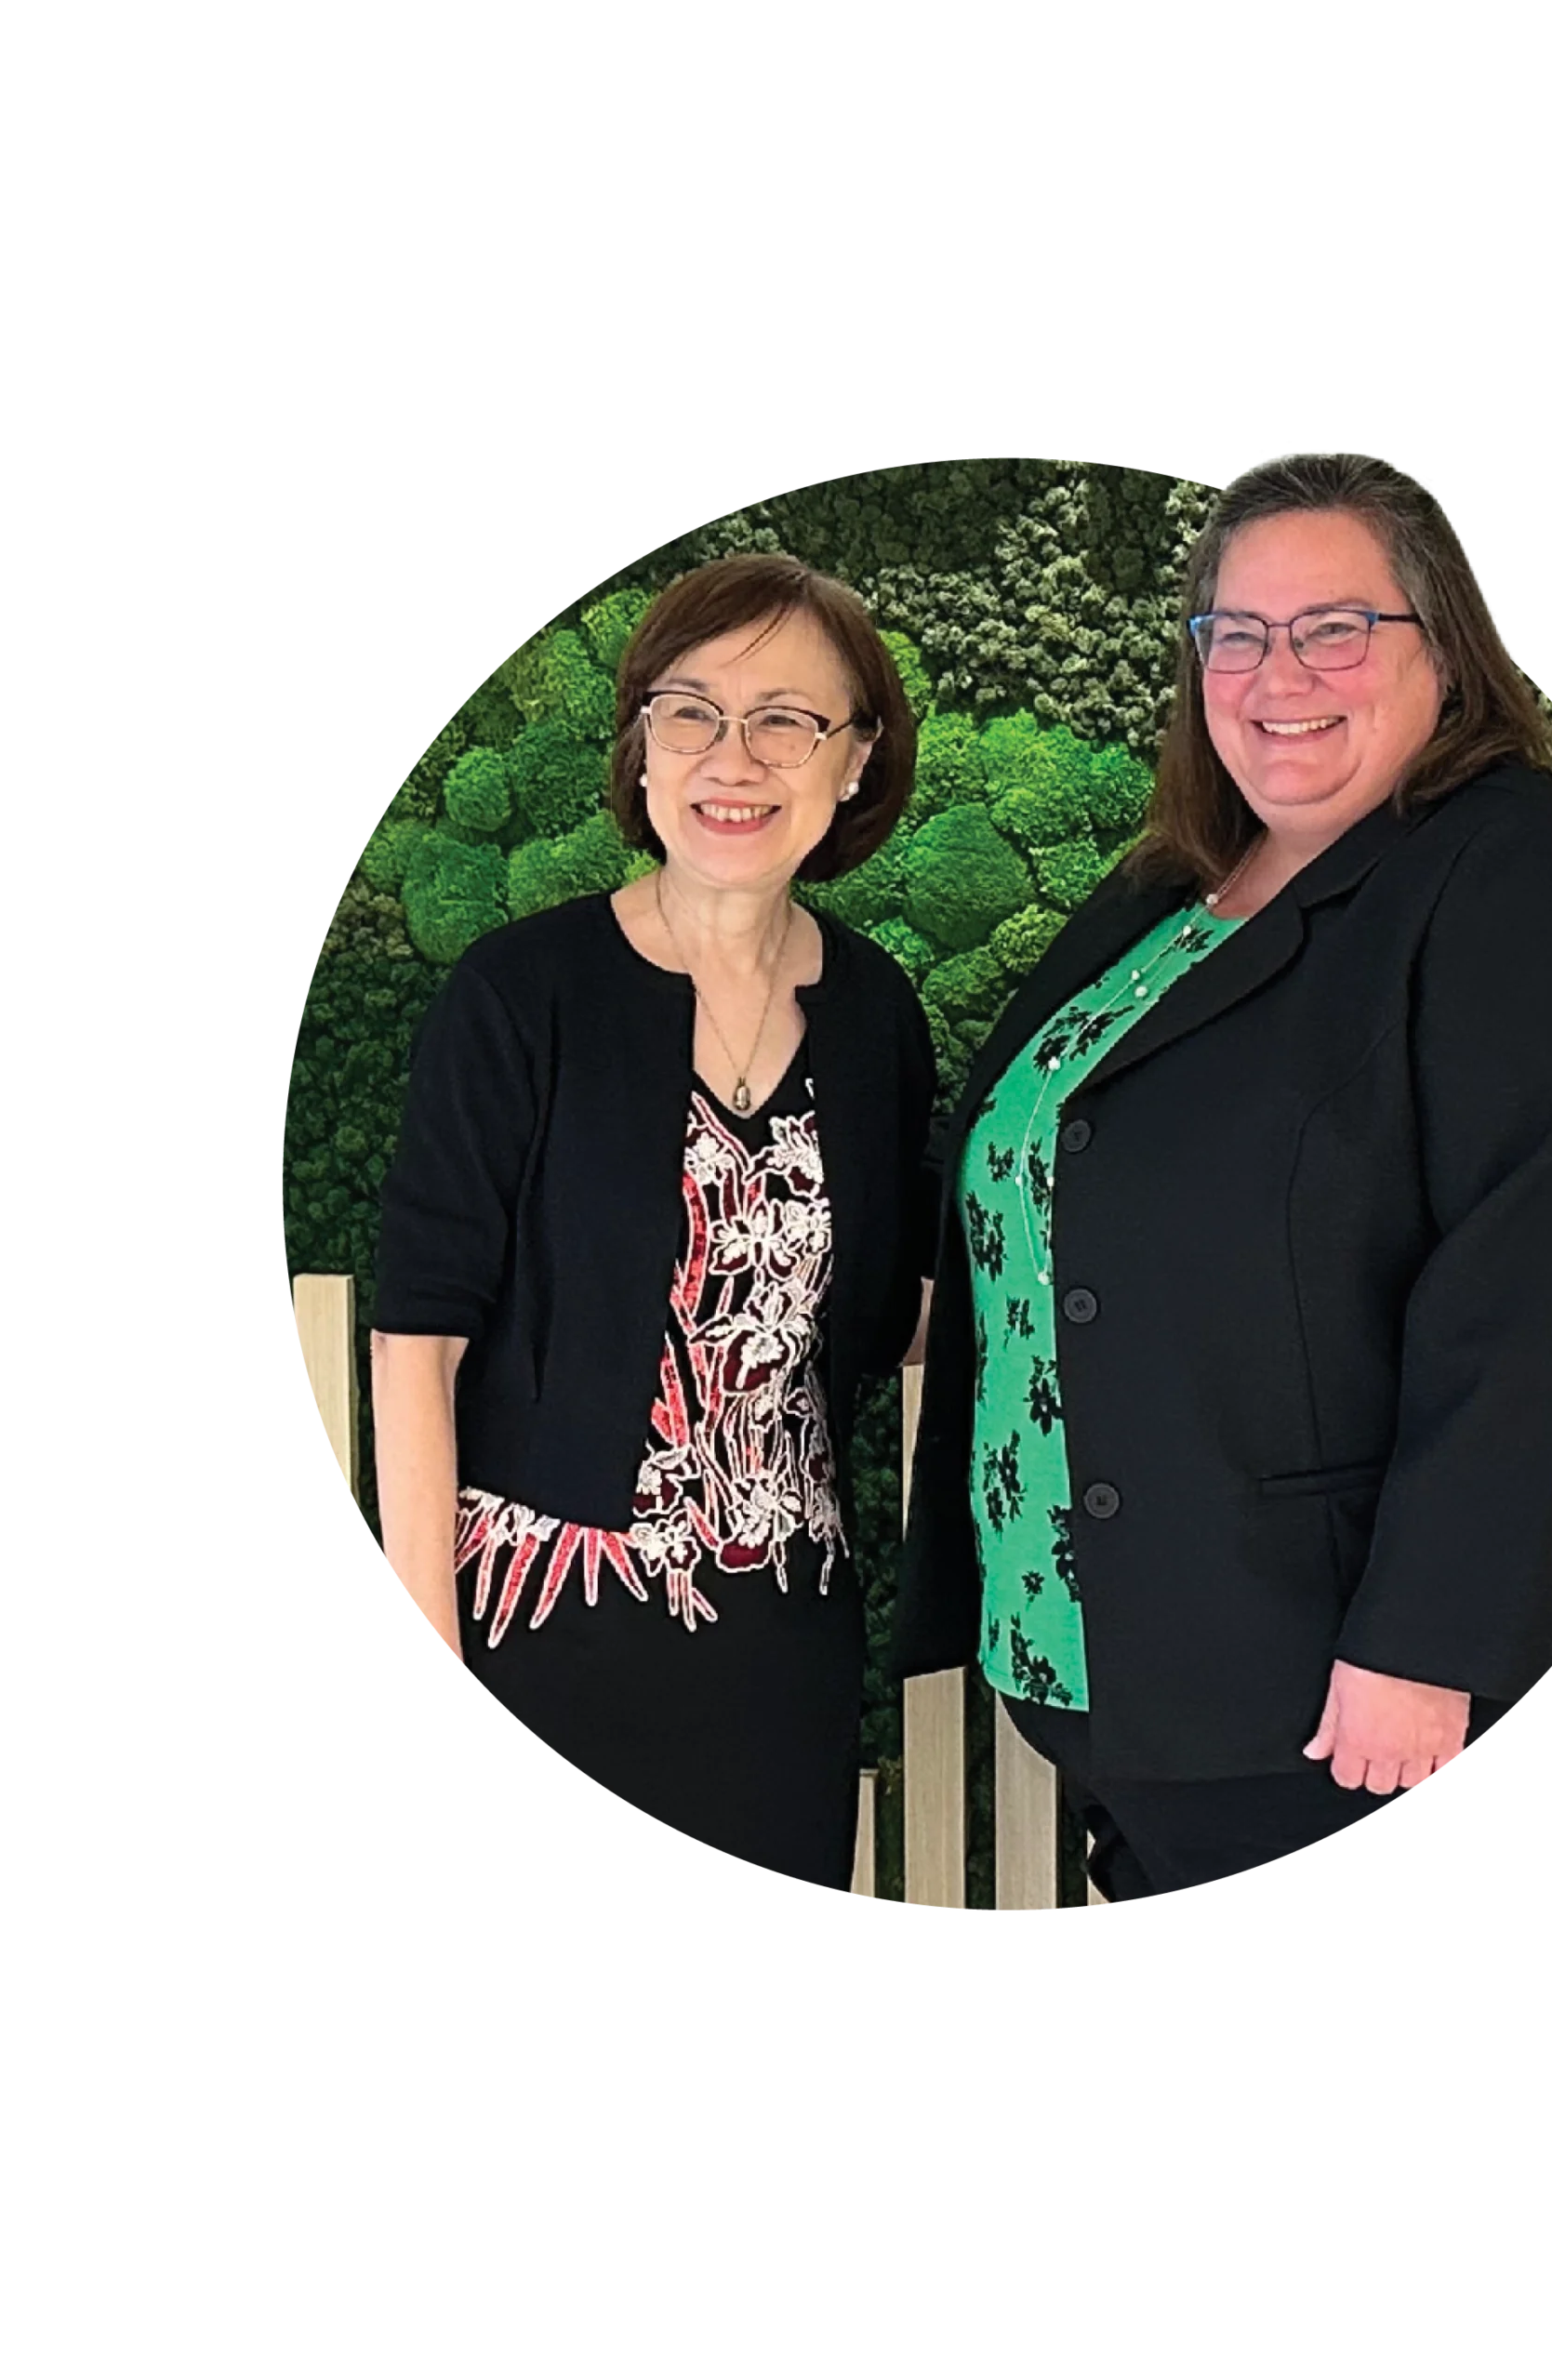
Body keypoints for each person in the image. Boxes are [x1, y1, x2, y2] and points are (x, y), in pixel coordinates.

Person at [892, 448, 1552, 1904]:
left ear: (1442, 645)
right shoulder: (1168, 888)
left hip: (1346, 1698)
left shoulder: (1514, 872)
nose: (1278, 673)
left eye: (1334, 627)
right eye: (1236, 633)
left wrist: (1428, 1645)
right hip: (1128, 1669)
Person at [371, 553, 935, 1895]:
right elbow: (418, 1341)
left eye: (785, 718)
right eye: (691, 712)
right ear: (640, 743)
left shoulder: (876, 1014)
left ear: (855, 759)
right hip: (535, 1630)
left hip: (780, 1644)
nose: (731, 759)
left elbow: (891, 1318)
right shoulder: (521, 994)